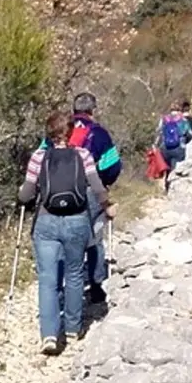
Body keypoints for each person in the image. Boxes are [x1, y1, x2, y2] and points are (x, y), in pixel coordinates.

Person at [18, 110, 112, 355]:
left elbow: (26, 195)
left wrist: (23, 194)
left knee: (48, 279)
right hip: (77, 221)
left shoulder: (39, 157)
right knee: (74, 273)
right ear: (71, 133)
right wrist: (107, 208)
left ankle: (49, 335)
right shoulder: (83, 155)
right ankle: (72, 327)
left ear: (48, 134)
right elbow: (98, 188)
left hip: (47, 223)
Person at [68, 92, 119, 306]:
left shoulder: (60, 129)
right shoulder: (99, 133)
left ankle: (69, 282)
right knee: (95, 235)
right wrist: (104, 185)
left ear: (74, 109)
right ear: (92, 109)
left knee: (69, 235)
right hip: (91, 190)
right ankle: (96, 286)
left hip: (62, 191)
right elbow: (112, 165)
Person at [158, 102, 191, 191]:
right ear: (179, 110)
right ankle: (174, 189)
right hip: (179, 148)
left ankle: (166, 186)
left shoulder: (164, 119)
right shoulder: (183, 120)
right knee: (176, 169)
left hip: (165, 148)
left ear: (171, 110)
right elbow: (189, 134)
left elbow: (159, 133)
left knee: (168, 168)